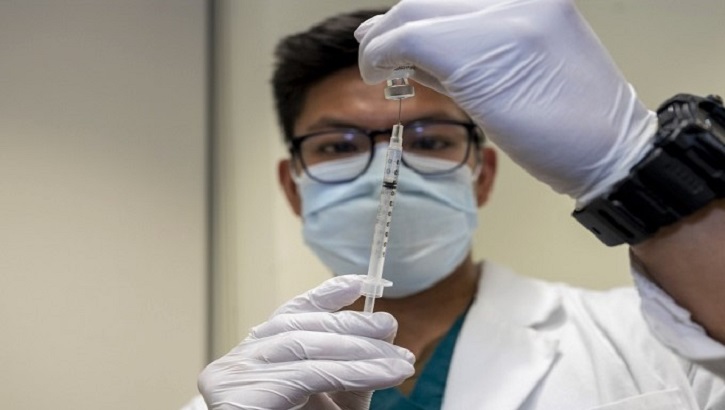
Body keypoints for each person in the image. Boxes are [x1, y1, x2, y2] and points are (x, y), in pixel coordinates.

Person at [185, 1, 725, 409]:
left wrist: (633, 162)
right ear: (292, 186)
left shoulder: (660, 340)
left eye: (430, 139)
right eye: (338, 145)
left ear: (482, 175)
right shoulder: (243, 396)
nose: (383, 170)